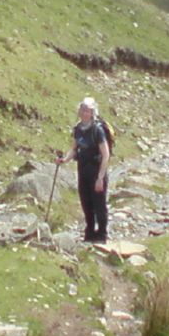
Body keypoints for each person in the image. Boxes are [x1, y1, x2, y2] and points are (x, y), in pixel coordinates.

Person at [56, 97, 110, 243]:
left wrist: (100, 178)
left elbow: (105, 155)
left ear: (92, 112)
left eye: (87, 110)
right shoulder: (78, 128)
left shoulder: (97, 130)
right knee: (86, 202)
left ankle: (102, 234)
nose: (84, 113)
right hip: (83, 170)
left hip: (96, 170)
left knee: (99, 203)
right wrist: (65, 160)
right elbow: (75, 149)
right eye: (82, 110)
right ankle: (90, 232)